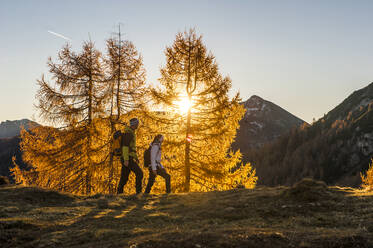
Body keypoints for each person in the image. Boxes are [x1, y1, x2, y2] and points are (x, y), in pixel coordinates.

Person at [117, 118, 143, 195]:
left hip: (128, 157)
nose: (138, 125)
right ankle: (138, 193)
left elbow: (131, 148)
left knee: (124, 177)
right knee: (140, 173)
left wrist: (136, 158)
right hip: (127, 158)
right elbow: (125, 147)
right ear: (133, 124)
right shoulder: (128, 133)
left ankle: (119, 193)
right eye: (137, 124)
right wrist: (126, 160)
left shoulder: (131, 132)